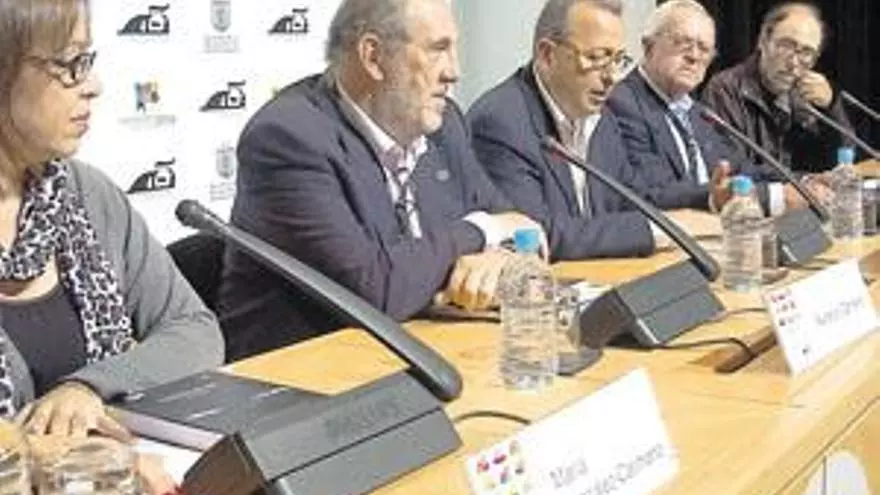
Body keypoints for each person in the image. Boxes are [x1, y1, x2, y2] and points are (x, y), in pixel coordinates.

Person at [218, 0, 542, 361]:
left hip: (422, 355)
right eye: (438, 49)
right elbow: (374, 288)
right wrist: (480, 231)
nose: (454, 72)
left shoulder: (444, 126)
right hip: (303, 375)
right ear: (373, 57)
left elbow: (520, 226)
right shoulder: (289, 138)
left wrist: (501, 258)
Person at [0, 0, 224, 491]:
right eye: (69, 64)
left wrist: (88, 387)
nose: (93, 85)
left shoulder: (84, 194)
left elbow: (195, 331)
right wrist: (84, 461)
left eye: (88, 61)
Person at [468, 0, 719, 261]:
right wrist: (659, 229)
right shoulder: (500, 122)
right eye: (597, 58)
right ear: (547, 55)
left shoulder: (601, 118)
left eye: (618, 60)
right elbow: (535, 234)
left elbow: (634, 197)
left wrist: (707, 201)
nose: (611, 77)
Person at [605, 0, 828, 215]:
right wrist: (771, 197)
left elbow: (741, 169)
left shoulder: (695, 111)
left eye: (704, 49)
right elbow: (655, 191)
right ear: (648, 46)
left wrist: (803, 181)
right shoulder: (622, 104)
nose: (694, 56)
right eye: (683, 43)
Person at [703, 2, 854, 174]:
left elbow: (845, 159)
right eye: (786, 46)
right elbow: (731, 167)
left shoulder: (808, 94)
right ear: (763, 41)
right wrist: (800, 181)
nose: (793, 63)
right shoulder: (725, 89)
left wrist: (831, 107)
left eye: (806, 52)